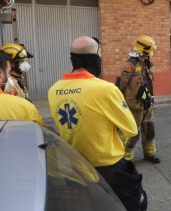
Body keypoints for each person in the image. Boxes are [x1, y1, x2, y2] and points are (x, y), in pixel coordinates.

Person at [48, 36, 147, 211]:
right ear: (95, 58)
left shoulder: (53, 90)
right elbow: (131, 128)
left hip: (74, 166)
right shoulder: (105, 89)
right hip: (109, 168)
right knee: (136, 204)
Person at [116, 35, 160, 164]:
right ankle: (127, 158)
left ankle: (150, 154)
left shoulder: (145, 62)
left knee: (149, 130)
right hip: (134, 105)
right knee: (133, 133)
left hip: (147, 103)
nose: (152, 53)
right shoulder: (130, 64)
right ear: (144, 49)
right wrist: (118, 101)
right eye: (150, 50)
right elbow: (121, 85)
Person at [0, 52, 45, 126]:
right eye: (22, 61)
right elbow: (40, 132)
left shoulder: (17, 79)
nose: (26, 64)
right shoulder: (24, 107)